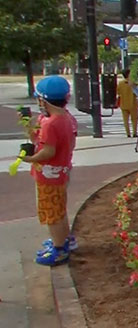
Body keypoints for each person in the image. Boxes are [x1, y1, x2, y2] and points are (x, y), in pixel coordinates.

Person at [20, 76, 76, 266]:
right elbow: (42, 140)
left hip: (48, 175)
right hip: (61, 171)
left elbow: (47, 151)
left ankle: (59, 248)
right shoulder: (65, 118)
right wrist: (30, 126)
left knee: (52, 214)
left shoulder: (50, 123)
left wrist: (29, 159)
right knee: (60, 209)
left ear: (43, 100)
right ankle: (66, 239)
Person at [116, 69, 138, 137]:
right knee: (134, 119)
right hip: (133, 103)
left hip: (124, 103)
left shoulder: (121, 83)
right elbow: (137, 92)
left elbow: (118, 92)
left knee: (126, 120)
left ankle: (128, 133)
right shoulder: (133, 83)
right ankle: (134, 132)